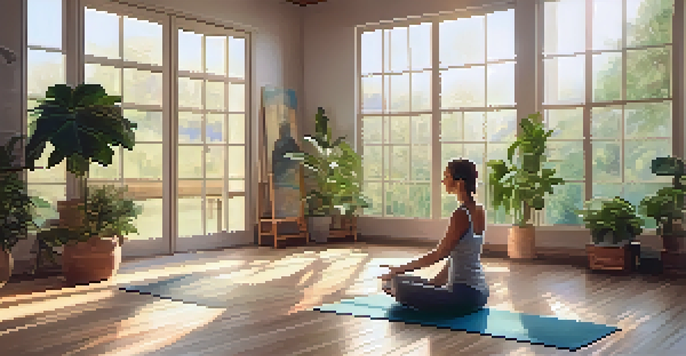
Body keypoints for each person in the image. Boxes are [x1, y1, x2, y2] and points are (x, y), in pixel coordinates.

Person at [379, 158, 489, 314]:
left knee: (396, 286)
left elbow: (440, 253)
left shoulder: (461, 214)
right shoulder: (479, 209)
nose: (443, 181)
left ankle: (410, 292)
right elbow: (459, 255)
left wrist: (400, 268)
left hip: (463, 296)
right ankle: (425, 291)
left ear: (459, 182)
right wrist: (435, 283)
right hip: (480, 293)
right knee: (398, 281)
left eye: (447, 176)